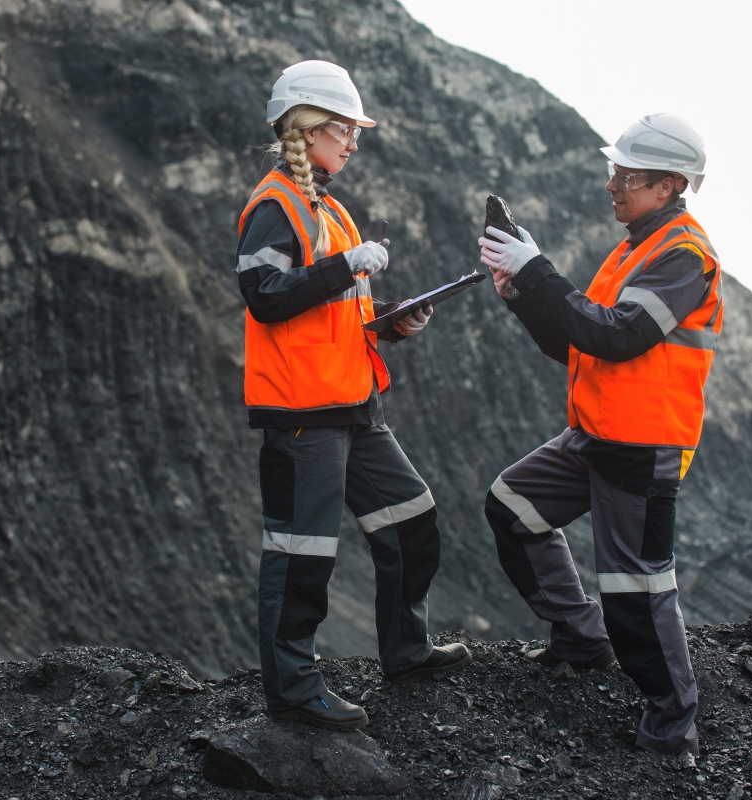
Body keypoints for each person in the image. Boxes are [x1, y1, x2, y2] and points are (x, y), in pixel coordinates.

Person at [476, 114, 720, 759]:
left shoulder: (683, 255)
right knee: (513, 506)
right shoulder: (635, 244)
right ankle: (582, 636)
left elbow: (619, 335)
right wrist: (522, 290)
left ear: (669, 185)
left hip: (642, 447)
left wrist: (539, 270)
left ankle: (672, 729)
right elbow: (577, 342)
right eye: (613, 169)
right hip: (594, 435)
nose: (611, 183)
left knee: (638, 591)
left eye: (626, 174)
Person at [237, 60, 471, 732]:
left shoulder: (326, 206)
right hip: (303, 415)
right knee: (301, 552)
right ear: (306, 126)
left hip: (352, 404)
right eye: (344, 127)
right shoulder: (274, 205)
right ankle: (292, 689)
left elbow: (333, 312)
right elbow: (264, 295)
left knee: (413, 521)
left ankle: (406, 649)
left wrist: (391, 318)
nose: (354, 139)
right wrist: (348, 264)